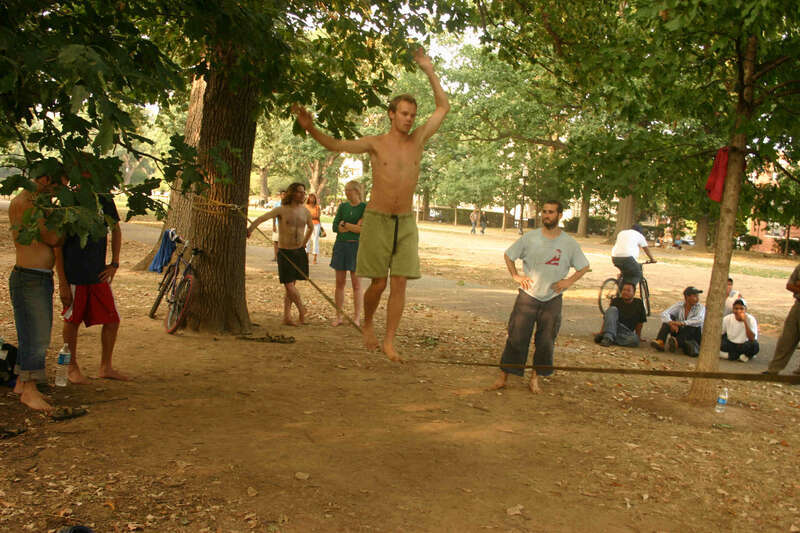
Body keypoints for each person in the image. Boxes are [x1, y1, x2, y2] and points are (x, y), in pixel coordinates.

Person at [293, 46, 449, 361]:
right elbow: (337, 144)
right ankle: (368, 323)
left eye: (412, 115)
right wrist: (311, 128)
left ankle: (390, 340)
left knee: (400, 282)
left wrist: (429, 69)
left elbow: (443, 107)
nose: (409, 119)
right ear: (392, 114)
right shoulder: (375, 144)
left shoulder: (418, 139)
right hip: (377, 219)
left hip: (404, 222)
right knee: (377, 283)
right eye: (404, 114)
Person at [488, 201, 590, 393]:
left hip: (552, 298)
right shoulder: (530, 238)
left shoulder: (569, 243)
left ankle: (535, 378)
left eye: (551, 212)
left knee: (545, 340)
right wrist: (516, 276)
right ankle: (504, 376)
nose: (546, 215)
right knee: (517, 337)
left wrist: (568, 282)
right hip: (528, 296)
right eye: (544, 212)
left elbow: (583, 266)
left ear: (559, 215)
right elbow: (509, 255)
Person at [55, 192, 128, 383]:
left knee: (112, 320)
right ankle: (71, 367)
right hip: (74, 275)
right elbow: (58, 246)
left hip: (98, 274)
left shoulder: (104, 199)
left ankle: (106, 367)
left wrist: (114, 263)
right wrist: (62, 282)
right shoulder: (69, 200)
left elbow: (116, 230)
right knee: (72, 321)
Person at [8, 173, 66, 411]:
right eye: (55, 185)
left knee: (29, 333)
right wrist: (62, 219)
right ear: (44, 179)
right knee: (37, 337)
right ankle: (30, 390)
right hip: (31, 277)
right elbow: (53, 237)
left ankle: (23, 383)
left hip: (34, 276)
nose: (56, 192)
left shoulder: (26, 201)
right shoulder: (30, 204)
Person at [248, 183, 313, 326]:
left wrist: (304, 242)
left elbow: (311, 227)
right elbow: (262, 218)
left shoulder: (305, 211)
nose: (303, 195)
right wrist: (250, 229)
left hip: (299, 252)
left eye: (304, 192)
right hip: (285, 252)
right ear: (292, 193)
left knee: (291, 286)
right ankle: (302, 309)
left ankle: (287, 317)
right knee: (289, 286)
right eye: (300, 192)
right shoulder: (281, 210)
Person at [330, 181, 367, 326]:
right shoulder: (342, 207)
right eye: (345, 190)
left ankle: (357, 317)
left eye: (348, 190)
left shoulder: (364, 207)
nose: (346, 193)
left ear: (356, 191)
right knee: (339, 283)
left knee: (357, 284)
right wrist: (351, 226)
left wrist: (345, 224)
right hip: (340, 246)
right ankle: (338, 316)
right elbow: (335, 226)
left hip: (356, 247)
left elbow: (362, 229)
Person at [764, 263, 800, 375]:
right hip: (798, 306)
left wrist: (798, 286)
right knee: (787, 338)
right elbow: (789, 285)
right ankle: (773, 369)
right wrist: (797, 286)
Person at [650, 286, 705, 356]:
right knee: (668, 320)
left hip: (693, 335)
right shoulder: (679, 305)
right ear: (687, 297)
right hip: (680, 332)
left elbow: (699, 319)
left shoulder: (700, 307)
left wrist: (682, 323)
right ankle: (660, 341)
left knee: (692, 325)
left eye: (697, 296)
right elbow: (664, 313)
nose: (697, 299)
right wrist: (671, 323)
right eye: (695, 296)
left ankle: (677, 342)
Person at [594, 281, 647, 347]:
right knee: (612, 309)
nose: (625, 292)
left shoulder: (639, 303)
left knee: (635, 340)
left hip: (625, 332)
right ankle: (608, 337)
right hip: (613, 325)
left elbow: (640, 322)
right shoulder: (616, 301)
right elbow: (608, 318)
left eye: (628, 290)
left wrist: (638, 336)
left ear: (633, 293)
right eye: (624, 290)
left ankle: (607, 337)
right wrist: (601, 331)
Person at [611, 224, 655, 288]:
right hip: (627, 258)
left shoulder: (622, 232)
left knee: (626, 273)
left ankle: (620, 292)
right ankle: (629, 290)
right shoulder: (640, 235)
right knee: (637, 274)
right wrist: (652, 259)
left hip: (614, 257)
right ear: (640, 231)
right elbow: (646, 249)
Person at [305, 192, 322, 264]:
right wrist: (311, 217)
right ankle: (306, 258)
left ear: (315, 199)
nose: (312, 199)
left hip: (316, 225)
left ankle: (315, 258)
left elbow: (317, 216)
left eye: (313, 197)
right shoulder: (305, 206)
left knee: (315, 240)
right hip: (307, 225)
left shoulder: (317, 207)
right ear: (308, 198)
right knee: (306, 240)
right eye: (310, 197)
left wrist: (309, 216)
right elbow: (303, 216)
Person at [270, 190, 285, 262]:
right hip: (277, 224)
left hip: (285, 226)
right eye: (282, 194)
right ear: (280, 195)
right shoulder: (277, 204)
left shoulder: (288, 205)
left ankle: (281, 257)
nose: (284, 196)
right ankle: (275, 256)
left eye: (285, 194)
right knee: (275, 241)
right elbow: (274, 215)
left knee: (283, 242)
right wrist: (273, 225)